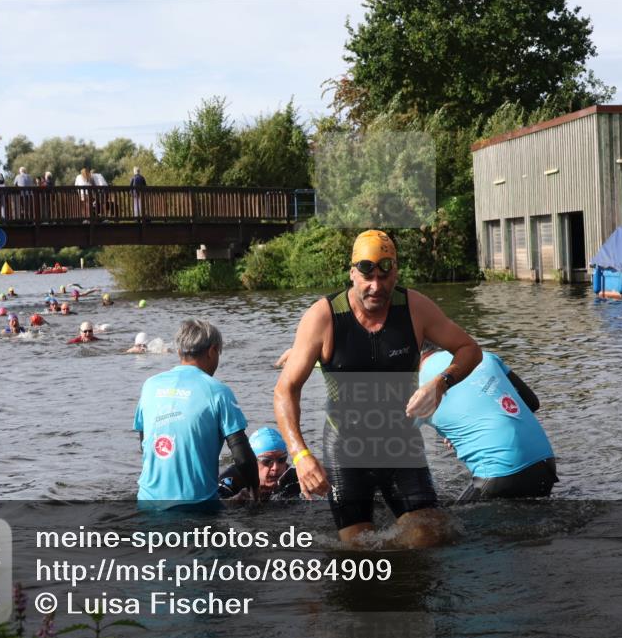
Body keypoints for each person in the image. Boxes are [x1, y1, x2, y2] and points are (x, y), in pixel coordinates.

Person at [274, 230, 482, 548]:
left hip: (402, 447)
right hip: (346, 451)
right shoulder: (324, 317)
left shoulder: (415, 308)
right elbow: (285, 390)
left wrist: (441, 384)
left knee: (430, 539)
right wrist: (300, 455)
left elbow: (469, 348)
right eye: (367, 276)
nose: (376, 287)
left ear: (395, 272)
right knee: (358, 553)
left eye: (385, 277)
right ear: (352, 273)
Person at [132, 319, 256, 506]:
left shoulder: (150, 385)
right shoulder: (218, 391)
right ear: (212, 351)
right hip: (196, 508)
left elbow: (144, 445)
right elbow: (242, 456)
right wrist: (256, 491)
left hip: (147, 502)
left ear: (180, 351)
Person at [417, 342, 557, 502]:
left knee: (448, 525)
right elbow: (532, 402)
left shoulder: (419, 391)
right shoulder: (482, 356)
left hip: (500, 472)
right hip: (545, 462)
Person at [218, 427, 300, 501]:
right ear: (252, 461)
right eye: (267, 461)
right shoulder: (233, 479)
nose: (275, 467)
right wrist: (234, 501)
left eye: (281, 460)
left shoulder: (294, 477)